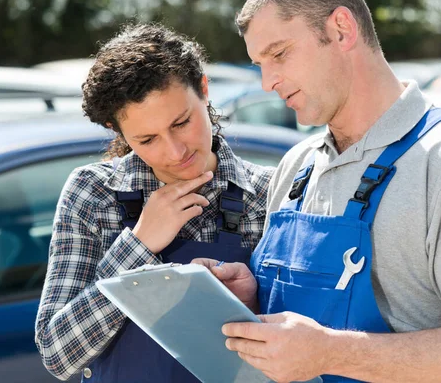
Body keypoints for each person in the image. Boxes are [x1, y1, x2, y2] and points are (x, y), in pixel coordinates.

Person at [193, 0, 441, 382]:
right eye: (260, 64)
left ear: (342, 29)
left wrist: (331, 353)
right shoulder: (297, 166)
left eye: (278, 54)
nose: (267, 83)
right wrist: (252, 298)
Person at [34, 23, 274, 382]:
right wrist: (138, 245)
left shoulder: (268, 193)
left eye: (181, 123)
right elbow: (59, 354)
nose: (174, 152)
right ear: (118, 131)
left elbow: (299, 345)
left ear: (204, 90)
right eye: (147, 139)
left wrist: (250, 305)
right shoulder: (93, 193)